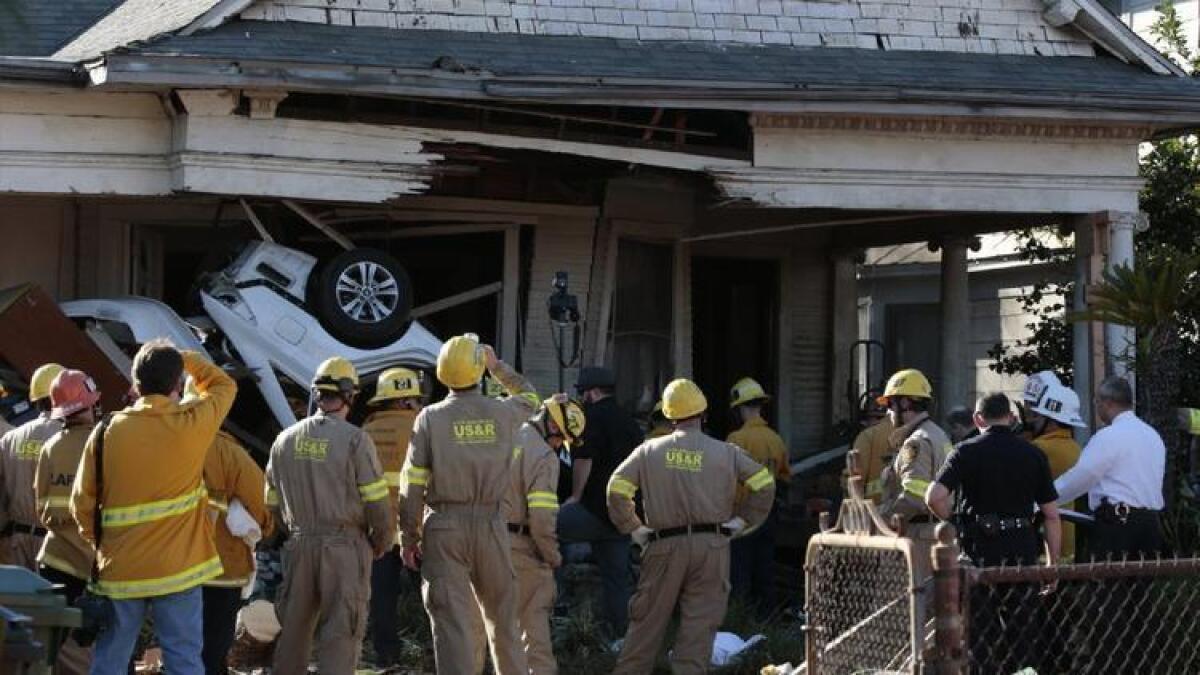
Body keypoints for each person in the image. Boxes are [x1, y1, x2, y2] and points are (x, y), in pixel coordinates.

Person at [72, 342, 235, 675]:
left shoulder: (105, 432)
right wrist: (184, 357)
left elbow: (81, 505)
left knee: (110, 660)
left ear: (135, 383)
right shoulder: (192, 422)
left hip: (121, 569)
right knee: (184, 659)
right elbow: (224, 385)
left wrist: (103, 545)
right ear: (177, 384)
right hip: (179, 569)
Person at [606, 379, 775, 673]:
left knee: (646, 627)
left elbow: (616, 489)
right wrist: (742, 521)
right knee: (698, 633)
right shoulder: (727, 452)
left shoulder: (648, 451)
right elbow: (764, 483)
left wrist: (633, 528)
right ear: (703, 414)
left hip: (663, 546)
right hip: (712, 547)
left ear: (670, 417)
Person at [399, 335, 536, 675]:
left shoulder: (430, 418)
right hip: (491, 525)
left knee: (453, 625)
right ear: (477, 368)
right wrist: (498, 367)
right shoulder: (503, 412)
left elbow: (412, 483)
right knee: (504, 621)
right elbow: (531, 398)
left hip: (444, 528)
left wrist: (409, 537)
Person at [266, 357, 393, 674]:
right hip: (345, 547)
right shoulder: (355, 440)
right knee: (340, 633)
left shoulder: (284, 440)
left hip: (299, 546)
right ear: (350, 395)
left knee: (293, 631)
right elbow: (377, 501)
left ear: (317, 393)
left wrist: (295, 531)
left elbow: (270, 501)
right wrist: (381, 540)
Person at [925, 392, 1061, 673]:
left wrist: (952, 521)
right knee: (1023, 635)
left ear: (977, 419)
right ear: (1011, 419)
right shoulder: (1034, 454)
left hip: (980, 551)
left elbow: (934, 496)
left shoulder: (965, 451)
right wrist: (1052, 564)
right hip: (1021, 549)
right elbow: (1051, 515)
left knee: (981, 635)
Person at [558, 365, 642, 636]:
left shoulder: (589, 417)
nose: (581, 398)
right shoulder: (629, 421)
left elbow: (584, 458)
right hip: (621, 516)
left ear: (591, 393)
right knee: (616, 579)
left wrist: (576, 496)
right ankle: (620, 637)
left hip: (593, 510)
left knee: (542, 530)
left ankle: (553, 609)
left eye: (582, 393)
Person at [196, 383, 273, 675]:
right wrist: (264, 529)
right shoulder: (228, 451)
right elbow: (260, 503)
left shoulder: (167, 445)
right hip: (222, 567)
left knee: (183, 645)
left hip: (175, 568)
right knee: (214, 648)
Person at [1055, 376, 1166, 560]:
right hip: (1151, 525)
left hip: (1117, 526)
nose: (1096, 407)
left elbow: (1083, 476)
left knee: (1109, 586)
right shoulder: (1152, 436)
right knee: (1141, 586)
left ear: (1107, 403)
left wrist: (1047, 498)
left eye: (1096, 402)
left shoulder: (1108, 436)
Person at [35, 369, 101, 675]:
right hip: (92, 568)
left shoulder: (51, 447)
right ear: (90, 404)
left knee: (42, 654)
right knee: (103, 650)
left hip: (54, 561)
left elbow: (42, 508)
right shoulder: (103, 445)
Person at [361, 366, 424, 666]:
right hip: (417, 530)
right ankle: (442, 653)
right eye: (414, 399)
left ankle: (387, 658)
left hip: (378, 532)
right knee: (435, 599)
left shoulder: (366, 431)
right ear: (403, 402)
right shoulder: (421, 427)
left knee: (381, 600)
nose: (418, 405)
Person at [725, 376, 791, 615]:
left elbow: (726, 482)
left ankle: (739, 622)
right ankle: (768, 624)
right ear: (760, 406)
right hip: (768, 515)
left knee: (739, 573)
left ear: (740, 408)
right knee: (765, 571)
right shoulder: (775, 439)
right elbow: (785, 476)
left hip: (741, 516)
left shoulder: (736, 440)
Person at [0, 362, 64, 567]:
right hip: (54, 546)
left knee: (15, 598)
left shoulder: (10, 438)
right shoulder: (70, 438)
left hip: (13, 544)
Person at [876, 368, 953, 535]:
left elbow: (914, 496)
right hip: (935, 530)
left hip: (918, 533)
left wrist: (881, 522)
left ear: (904, 403)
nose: (887, 412)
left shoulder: (916, 442)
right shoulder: (938, 434)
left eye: (890, 404)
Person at [1023, 379, 1086, 560]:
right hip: (1070, 541)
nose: (1032, 421)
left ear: (1051, 420)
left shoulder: (1038, 449)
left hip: (1046, 545)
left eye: (1038, 416)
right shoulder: (1075, 447)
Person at [848, 388, 894, 502]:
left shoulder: (868, 436)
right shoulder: (914, 431)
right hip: (919, 510)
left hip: (876, 508)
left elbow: (856, 477)